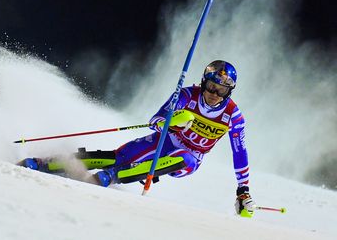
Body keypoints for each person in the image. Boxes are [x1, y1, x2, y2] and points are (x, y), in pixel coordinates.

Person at [19, 60, 256, 217]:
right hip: (166, 139)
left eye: (221, 90)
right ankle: (46, 163)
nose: (214, 95)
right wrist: (171, 121)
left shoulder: (233, 116)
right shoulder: (186, 95)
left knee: (186, 161)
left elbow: (240, 152)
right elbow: (156, 119)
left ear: (229, 91)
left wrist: (243, 190)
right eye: (211, 87)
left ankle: (112, 177)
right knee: (117, 157)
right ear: (204, 82)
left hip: (190, 155)